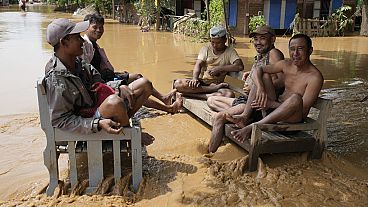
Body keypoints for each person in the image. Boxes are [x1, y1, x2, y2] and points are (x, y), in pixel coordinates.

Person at [43, 18, 154, 145]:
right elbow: (60, 120)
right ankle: (128, 136)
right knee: (115, 103)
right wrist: (96, 123)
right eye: (77, 37)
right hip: (85, 121)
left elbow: (100, 84)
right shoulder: (56, 78)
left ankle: (122, 124)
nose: (82, 41)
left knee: (144, 84)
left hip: (94, 106)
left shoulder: (78, 63)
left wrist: (119, 87)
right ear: (64, 42)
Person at [230, 33, 323, 143]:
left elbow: (302, 111)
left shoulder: (315, 77)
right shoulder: (286, 64)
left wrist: (271, 104)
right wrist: (260, 88)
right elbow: (257, 70)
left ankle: (252, 127)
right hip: (272, 113)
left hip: (291, 121)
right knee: (263, 76)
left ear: (310, 51)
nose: (295, 53)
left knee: (296, 99)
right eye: (292, 49)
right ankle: (245, 116)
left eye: (300, 49)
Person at [82, 13, 182, 114]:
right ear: (86, 28)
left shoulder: (94, 44)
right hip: (102, 82)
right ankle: (168, 108)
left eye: (101, 27)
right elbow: (87, 73)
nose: (99, 30)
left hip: (107, 76)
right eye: (95, 27)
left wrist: (116, 73)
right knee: (142, 86)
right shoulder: (85, 45)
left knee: (137, 76)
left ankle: (163, 98)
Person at [208, 25, 285, 153]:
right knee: (211, 100)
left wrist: (256, 85)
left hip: (255, 104)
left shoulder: (274, 53)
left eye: (262, 38)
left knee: (219, 117)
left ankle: (210, 155)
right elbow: (268, 71)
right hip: (246, 99)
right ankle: (236, 119)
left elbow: (282, 81)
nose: (257, 42)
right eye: (255, 39)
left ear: (272, 39)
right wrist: (251, 73)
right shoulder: (262, 55)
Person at [173, 25, 244, 100]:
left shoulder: (230, 51)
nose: (215, 45)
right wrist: (195, 78)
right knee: (178, 83)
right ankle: (210, 91)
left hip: (216, 84)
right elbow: (198, 64)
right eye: (212, 42)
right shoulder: (206, 48)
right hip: (201, 84)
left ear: (225, 40)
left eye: (218, 43)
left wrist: (220, 69)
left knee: (229, 95)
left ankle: (195, 95)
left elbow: (239, 66)